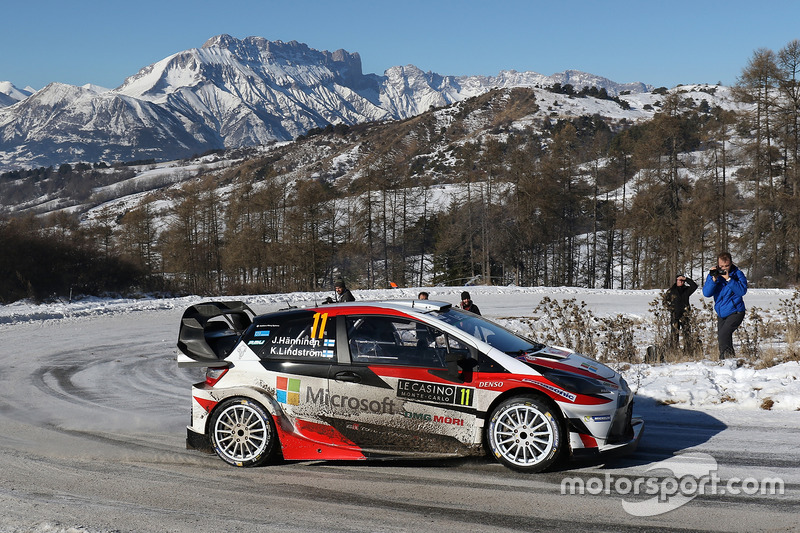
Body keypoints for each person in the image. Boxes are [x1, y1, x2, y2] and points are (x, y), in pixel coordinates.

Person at [702, 252, 747, 360]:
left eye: (727, 266)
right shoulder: (714, 275)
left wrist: (729, 279)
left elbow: (742, 291)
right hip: (721, 312)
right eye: (721, 266)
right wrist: (713, 279)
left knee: (723, 335)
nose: (724, 269)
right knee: (722, 338)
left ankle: (726, 359)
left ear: (731, 263)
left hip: (736, 311)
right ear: (718, 264)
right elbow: (707, 293)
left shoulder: (737, 274)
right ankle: (728, 359)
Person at [666, 274, 697, 348]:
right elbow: (665, 301)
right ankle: (674, 349)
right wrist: (671, 309)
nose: (681, 282)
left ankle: (688, 349)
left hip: (685, 314)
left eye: (683, 281)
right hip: (675, 314)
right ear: (676, 280)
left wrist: (686, 279)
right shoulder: (671, 290)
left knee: (687, 332)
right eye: (680, 280)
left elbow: (694, 286)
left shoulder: (686, 290)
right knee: (674, 333)